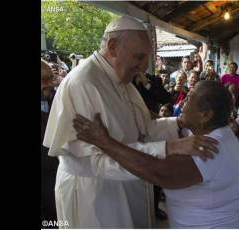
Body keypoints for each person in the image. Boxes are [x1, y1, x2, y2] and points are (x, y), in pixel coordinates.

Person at [43, 16, 218, 228]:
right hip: (97, 197)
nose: (143, 67)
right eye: (138, 57)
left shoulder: (121, 79)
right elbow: (92, 162)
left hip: (125, 187)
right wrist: (169, 148)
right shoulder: (83, 83)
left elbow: (142, 130)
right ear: (113, 46)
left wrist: (178, 123)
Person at [73, 80, 239, 228]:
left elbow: (158, 172)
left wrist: (104, 142)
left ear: (204, 115)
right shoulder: (209, 133)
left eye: (189, 99)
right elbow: (169, 130)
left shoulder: (212, 146)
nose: (182, 103)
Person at [41, 60, 58, 226]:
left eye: (50, 78)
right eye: (43, 79)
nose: (49, 83)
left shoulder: (58, 101)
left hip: (54, 175)